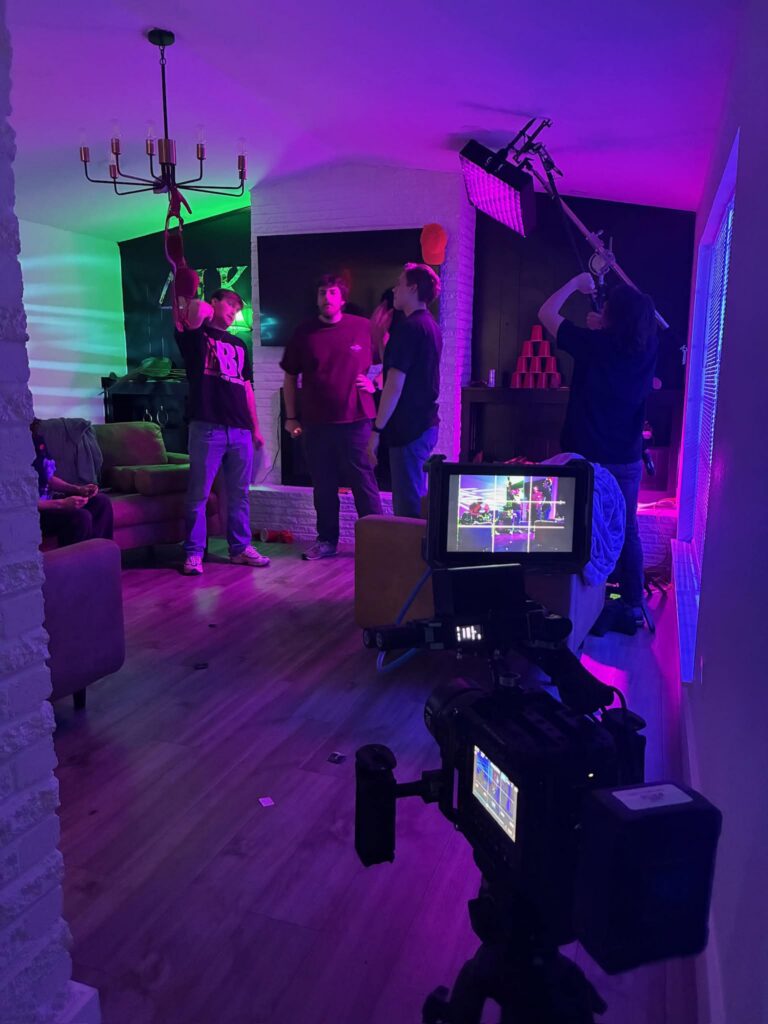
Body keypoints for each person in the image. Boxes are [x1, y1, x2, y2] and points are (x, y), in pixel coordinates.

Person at [538, 273, 659, 623]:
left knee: (578, 528)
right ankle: (632, 604)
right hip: (627, 456)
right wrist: (604, 326)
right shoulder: (648, 347)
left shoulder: (592, 345)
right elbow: (631, 329)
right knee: (628, 528)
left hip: (588, 457)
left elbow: (546, 313)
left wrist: (575, 284)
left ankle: (580, 601)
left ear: (611, 318)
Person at [280, 274, 382, 560]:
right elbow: (290, 377)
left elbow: (394, 359)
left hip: (357, 420)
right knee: (323, 486)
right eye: (322, 292)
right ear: (317, 298)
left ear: (342, 298)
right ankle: (327, 541)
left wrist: (376, 382)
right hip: (316, 424)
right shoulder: (304, 332)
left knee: (364, 483)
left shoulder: (363, 327)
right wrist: (291, 417)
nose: (327, 297)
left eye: (332, 292)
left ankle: (378, 543)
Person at [175, 288, 270, 576]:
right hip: (207, 427)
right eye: (229, 305)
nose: (233, 312)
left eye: (237, 309)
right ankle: (194, 552)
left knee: (240, 494)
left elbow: (247, 387)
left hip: (240, 430)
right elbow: (193, 311)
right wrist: (201, 307)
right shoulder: (196, 335)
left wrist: (255, 428)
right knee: (199, 494)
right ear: (213, 303)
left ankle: (240, 549)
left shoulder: (239, 344)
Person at [367, 263, 442, 517]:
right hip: (423, 425)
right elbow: (396, 369)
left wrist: (376, 431)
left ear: (413, 288)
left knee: (408, 509)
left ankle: (412, 545)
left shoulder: (409, 328)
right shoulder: (429, 325)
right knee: (415, 499)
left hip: (409, 430)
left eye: (399, 283)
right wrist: (380, 340)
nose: (394, 289)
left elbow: (394, 385)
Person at [32, 426, 113, 546]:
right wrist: (61, 504)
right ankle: (77, 558)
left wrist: (78, 489)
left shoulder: (36, 440)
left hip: (49, 501)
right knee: (80, 517)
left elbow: (49, 479)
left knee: (101, 502)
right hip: (31, 512)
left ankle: (102, 553)